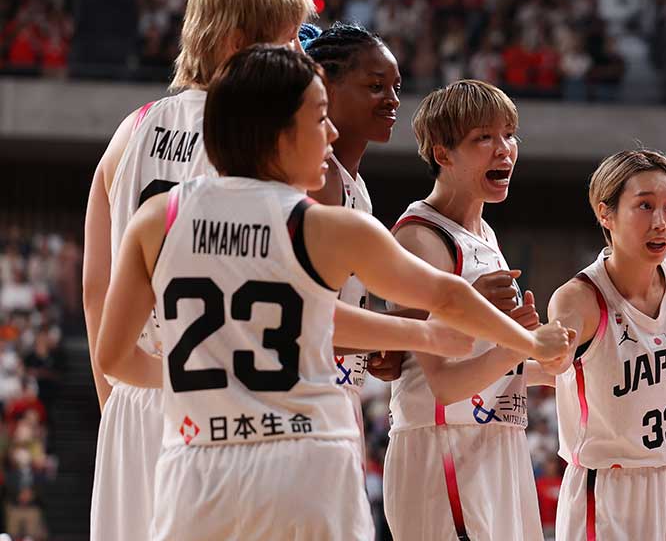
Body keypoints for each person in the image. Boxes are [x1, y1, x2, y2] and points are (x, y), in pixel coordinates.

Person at [95, 45, 571, 539]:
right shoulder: (325, 227)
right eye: (319, 119)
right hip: (307, 461)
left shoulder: (158, 219)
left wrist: (214, 379)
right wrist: (531, 343)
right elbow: (446, 297)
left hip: (197, 466)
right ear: (276, 132)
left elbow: (115, 358)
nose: (332, 134)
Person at [82, 0, 315, 541]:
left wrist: (115, 401)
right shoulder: (258, 145)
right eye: (289, 40)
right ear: (239, 43)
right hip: (225, 402)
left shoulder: (129, 130)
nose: (301, 56)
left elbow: (96, 288)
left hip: (135, 394)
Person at [384, 80, 555, 541]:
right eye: (484, 138)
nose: (504, 150)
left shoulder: (485, 236)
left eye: (509, 134)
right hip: (444, 449)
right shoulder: (421, 237)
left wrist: (548, 365)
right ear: (444, 155)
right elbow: (442, 384)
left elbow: (488, 364)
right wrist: (522, 343)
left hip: (496, 440)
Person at [545, 149, 666, 541]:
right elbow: (553, 362)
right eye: (644, 206)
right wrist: (545, 350)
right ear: (606, 214)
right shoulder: (579, 298)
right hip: (608, 488)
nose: (661, 222)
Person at [305, 22, 405, 407]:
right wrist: (397, 334)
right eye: (376, 86)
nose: (393, 99)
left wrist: (376, 343)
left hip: (337, 390)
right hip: (307, 394)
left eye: (397, 87)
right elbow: (311, 318)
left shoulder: (353, 184)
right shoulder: (320, 176)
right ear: (325, 86)